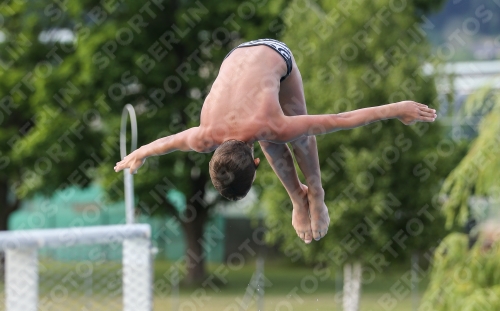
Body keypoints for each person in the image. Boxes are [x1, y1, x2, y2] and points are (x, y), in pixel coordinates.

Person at [114, 39, 437, 244]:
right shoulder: (202, 137)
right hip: (236, 54)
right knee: (272, 133)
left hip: (275, 54)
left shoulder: (271, 125)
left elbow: (339, 120)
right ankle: (299, 199)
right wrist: (140, 153)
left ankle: (312, 196)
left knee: (293, 132)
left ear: (255, 165)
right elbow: (168, 142)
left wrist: (399, 109)